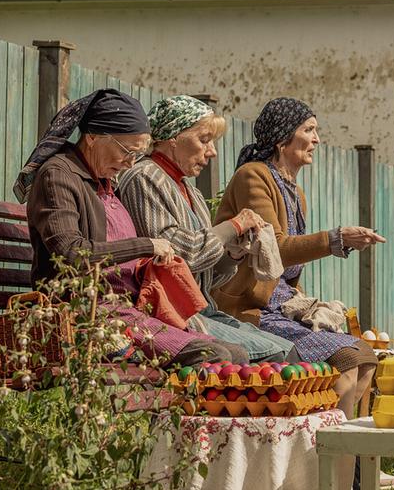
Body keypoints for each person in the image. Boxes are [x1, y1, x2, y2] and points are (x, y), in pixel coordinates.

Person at [16, 88, 247, 367]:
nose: (130, 163)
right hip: (86, 315)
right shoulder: (59, 176)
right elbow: (71, 253)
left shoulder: (104, 181)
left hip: (129, 311)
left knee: (237, 354)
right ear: (92, 137)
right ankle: (167, 413)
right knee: (215, 357)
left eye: (137, 155)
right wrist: (148, 245)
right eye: (127, 151)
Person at [213, 97, 386, 416]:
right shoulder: (253, 176)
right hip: (255, 307)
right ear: (283, 139)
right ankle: (325, 450)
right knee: (345, 362)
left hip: (283, 303)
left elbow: (289, 269)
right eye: (309, 130)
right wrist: (337, 239)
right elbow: (274, 248)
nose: (317, 139)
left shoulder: (295, 191)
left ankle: (344, 455)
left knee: (366, 358)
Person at [118, 95, 295, 363]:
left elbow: (206, 278)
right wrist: (232, 226)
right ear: (173, 138)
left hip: (203, 309)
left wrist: (232, 253)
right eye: (203, 140)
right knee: (278, 357)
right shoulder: (145, 177)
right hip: (172, 315)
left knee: (290, 350)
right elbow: (174, 254)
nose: (211, 151)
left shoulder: (190, 191)